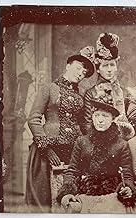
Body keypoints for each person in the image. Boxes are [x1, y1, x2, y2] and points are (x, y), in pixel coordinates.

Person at [25, 50, 95, 212]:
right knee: (45, 199)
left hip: (73, 150)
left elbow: (85, 125)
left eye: (84, 72)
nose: (81, 74)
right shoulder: (49, 88)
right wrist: (46, 148)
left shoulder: (82, 95)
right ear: (68, 65)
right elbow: (33, 119)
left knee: (71, 194)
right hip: (48, 149)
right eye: (79, 68)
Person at [56, 83, 136, 213]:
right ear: (92, 117)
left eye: (105, 116)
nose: (100, 120)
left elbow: (127, 174)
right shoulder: (82, 141)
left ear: (113, 119)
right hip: (85, 192)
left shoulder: (121, 144)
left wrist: (127, 188)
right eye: (97, 115)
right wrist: (67, 192)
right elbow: (72, 170)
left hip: (111, 194)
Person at [83, 32, 134, 139]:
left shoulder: (124, 92)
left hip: (122, 141)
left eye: (112, 65)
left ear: (116, 67)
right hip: (98, 141)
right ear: (98, 69)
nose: (109, 70)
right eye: (105, 66)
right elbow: (87, 124)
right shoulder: (91, 93)